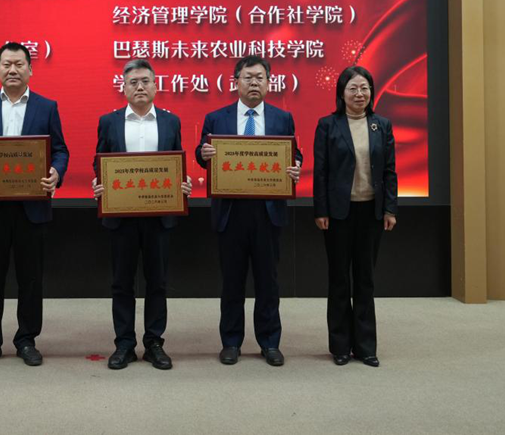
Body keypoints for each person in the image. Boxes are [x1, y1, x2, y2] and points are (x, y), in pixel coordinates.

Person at [0, 42, 69, 367]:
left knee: (30, 278)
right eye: (6, 64)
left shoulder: (46, 107)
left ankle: (26, 340)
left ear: (30, 70)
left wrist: (56, 172)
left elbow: (60, 150)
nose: (12, 70)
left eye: (19, 64)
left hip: (31, 208)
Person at [195, 54, 302, 367]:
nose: (254, 83)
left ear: (269, 83)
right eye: (248, 77)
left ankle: (270, 342)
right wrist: (204, 153)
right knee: (232, 282)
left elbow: (294, 154)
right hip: (231, 212)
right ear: (236, 82)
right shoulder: (216, 118)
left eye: (260, 78)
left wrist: (296, 166)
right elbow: (203, 154)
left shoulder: (283, 118)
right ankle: (231, 342)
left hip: (268, 212)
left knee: (268, 282)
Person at [91, 60, 192, 371]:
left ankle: (154, 343)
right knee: (121, 283)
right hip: (121, 215)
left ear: (155, 86)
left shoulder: (170, 121)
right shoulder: (108, 122)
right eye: (133, 82)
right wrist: (99, 183)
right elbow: (99, 161)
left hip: (159, 215)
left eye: (145, 81)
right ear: (123, 88)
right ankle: (124, 344)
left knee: (157, 282)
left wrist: (182, 183)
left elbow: (177, 161)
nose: (139, 87)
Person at [313, 66, 398, 368]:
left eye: (364, 88)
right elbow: (320, 172)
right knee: (339, 279)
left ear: (371, 92)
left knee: (365, 280)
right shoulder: (328, 125)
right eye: (353, 88)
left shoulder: (381, 125)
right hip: (338, 214)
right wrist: (321, 210)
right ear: (341, 93)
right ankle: (339, 345)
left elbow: (389, 170)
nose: (359, 94)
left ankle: (365, 346)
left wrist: (390, 209)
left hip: (371, 212)